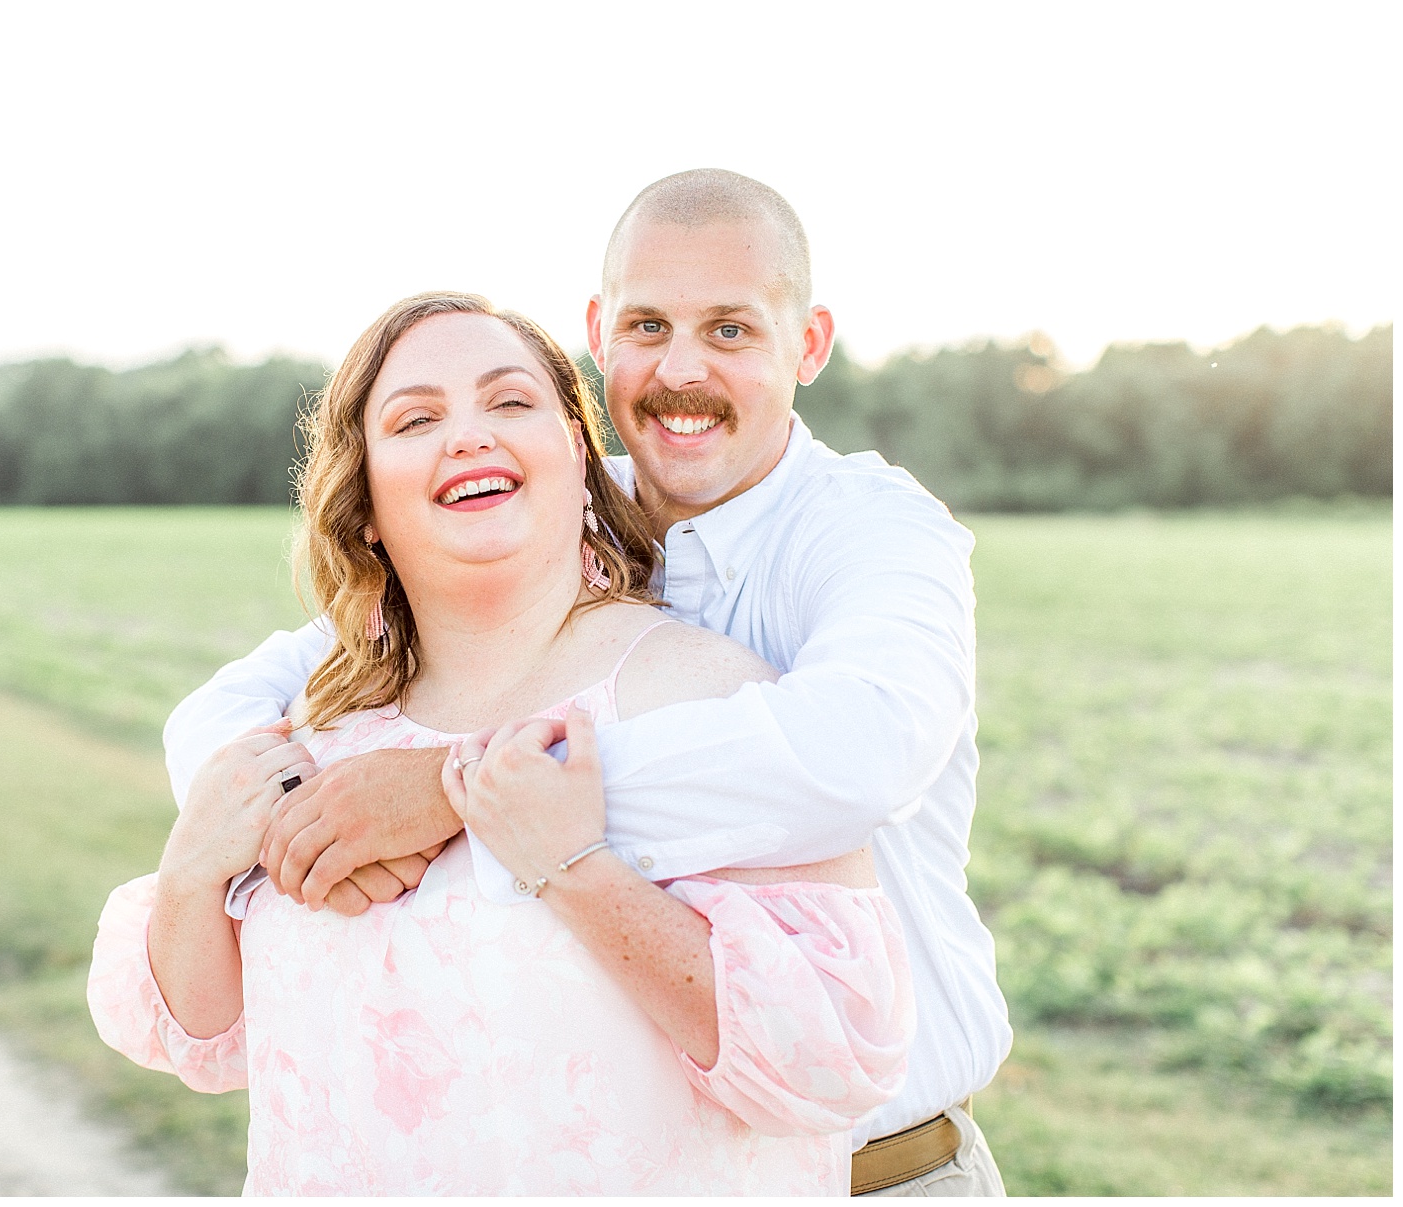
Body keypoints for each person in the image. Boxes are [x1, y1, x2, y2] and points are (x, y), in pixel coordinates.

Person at [162, 169, 1012, 1195]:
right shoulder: (562, 508)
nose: (681, 369)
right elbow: (235, 705)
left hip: (885, 1168)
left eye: (732, 331)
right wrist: (301, 813)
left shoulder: (871, 530)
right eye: (648, 326)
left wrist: (446, 795)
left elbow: (858, 755)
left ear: (810, 343)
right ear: (600, 332)